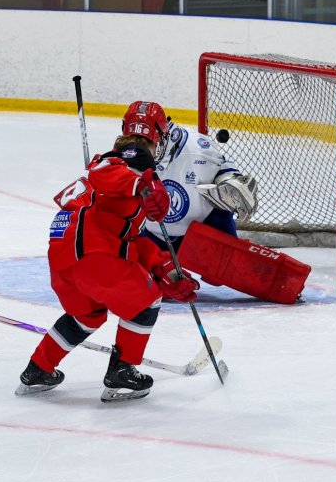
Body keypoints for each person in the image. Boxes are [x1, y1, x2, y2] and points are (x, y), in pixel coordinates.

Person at [16, 101, 200, 402]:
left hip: (65, 257)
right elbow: (106, 176)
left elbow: (131, 238)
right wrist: (141, 183)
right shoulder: (123, 164)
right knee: (147, 300)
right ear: (158, 137)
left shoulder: (125, 170)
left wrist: (165, 266)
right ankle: (122, 373)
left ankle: (38, 370)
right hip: (91, 256)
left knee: (86, 315)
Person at [127, 105, 257, 255]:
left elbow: (224, 169)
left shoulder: (197, 150)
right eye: (134, 142)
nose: (141, 152)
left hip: (203, 229)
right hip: (154, 235)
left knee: (230, 270)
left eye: (147, 144)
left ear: (163, 136)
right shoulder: (126, 154)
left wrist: (229, 181)